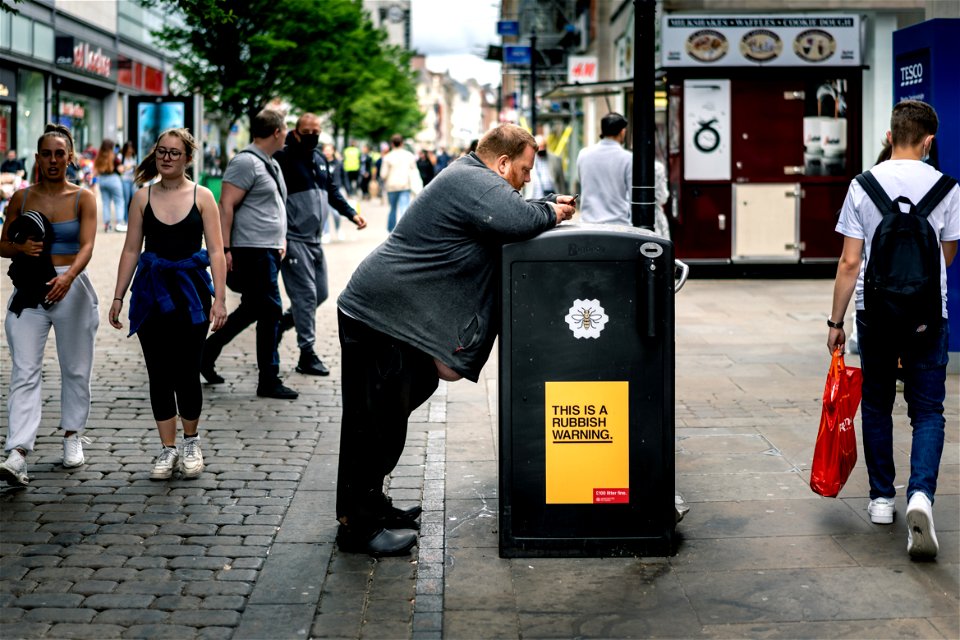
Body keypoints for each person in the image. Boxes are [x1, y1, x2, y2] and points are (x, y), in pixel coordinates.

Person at [334, 123, 576, 555]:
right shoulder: (472, 180)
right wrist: (551, 211)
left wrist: (544, 203)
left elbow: (510, 210)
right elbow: (518, 218)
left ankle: (371, 504)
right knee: (373, 424)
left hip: (392, 315)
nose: (526, 180)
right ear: (501, 162)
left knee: (392, 414)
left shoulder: (474, 180)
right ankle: (358, 527)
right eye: (523, 170)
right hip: (380, 316)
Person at [828, 100, 959, 560]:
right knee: (928, 411)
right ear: (929, 141)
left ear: (889, 136)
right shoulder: (947, 187)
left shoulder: (863, 184)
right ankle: (920, 495)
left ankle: (882, 499)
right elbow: (946, 255)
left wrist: (835, 321)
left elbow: (849, 262)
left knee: (878, 405)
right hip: (928, 315)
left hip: (874, 312)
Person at [108, 128, 227, 480]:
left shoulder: (203, 196)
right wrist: (118, 296)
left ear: (188, 158)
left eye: (175, 153)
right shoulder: (141, 197)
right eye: (162, 151)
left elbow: (217, 251)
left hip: (191, 293)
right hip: (151, 294)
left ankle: (191, 441)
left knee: (187, 370)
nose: (167, 158)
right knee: (158, 372)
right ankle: (167, 449)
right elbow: (131, 249)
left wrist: (220, 299)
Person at [0, 124, 99, 486]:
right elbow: (3, 243)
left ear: (70, 158)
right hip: (30, 288)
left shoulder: (83, 197)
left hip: (71, 285)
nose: (54, 160)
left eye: (60, 153)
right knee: (24, 370)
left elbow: (88, 245)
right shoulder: (21, 198)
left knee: (76, 367)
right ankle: (18, 452)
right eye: (47, 153)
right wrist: (20, 249)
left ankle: (72, 435)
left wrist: (69, 277)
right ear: (38, 157)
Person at [199, 109, 298, 400]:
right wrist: (226, 249)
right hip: (250, 250)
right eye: (286, 129)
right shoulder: (245, 162)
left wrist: (280, 239)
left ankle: (206, 353)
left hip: (267, 249)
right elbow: (225, 206)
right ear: (277, 132)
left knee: (255, 308)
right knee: (271, 312)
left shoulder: (270, 163)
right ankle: (269, 379)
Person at [274, 114, 366, 377]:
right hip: (293, 239)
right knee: (304, 296)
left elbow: (332, 191)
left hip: (315, 240)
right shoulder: (283, 158)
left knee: (321, 293)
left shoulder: (319, 159)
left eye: (317, 131)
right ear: (296, 131)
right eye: (307, 131)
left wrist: (351, 213)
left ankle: (281, 324)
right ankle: (307, 353)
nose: (313, 135)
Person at [577, 113, 632, 226]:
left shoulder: (583, 154)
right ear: (622, 132)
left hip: (588, 224)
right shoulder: (627, 158)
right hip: (619, 225)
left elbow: (582, 182)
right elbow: (632, 196)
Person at [381, 134, 419, 232]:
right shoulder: (409, 156)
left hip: (391, 186)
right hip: (405, 186)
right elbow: (414, 171)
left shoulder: (387, 157)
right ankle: (404, 230)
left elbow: (383, 174)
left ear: (392, 144)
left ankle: (391, 230)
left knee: (392, 209)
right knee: (404, 208)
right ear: (402, 143)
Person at [320, 142, 350, 242]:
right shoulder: (320, 163)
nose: (327, 152)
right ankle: (326, 233)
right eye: (325, 150)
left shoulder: (339, 163)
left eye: (329, 150)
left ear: (333, 151)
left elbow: (345, 177)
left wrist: (348, 190)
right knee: (325, 213)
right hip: (325, 191)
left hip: (337, 190)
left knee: (336, 214)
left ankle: (338, 229)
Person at [94, 139, 124, 233]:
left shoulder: (99, 157)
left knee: (106, 203)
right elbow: (120, 170)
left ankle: (107, 225)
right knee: (119, 201)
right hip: (113, 179)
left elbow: (96, 171)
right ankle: (119, 223)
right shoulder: (114, 158)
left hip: (102, 180)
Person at [527, 134, 567, 199]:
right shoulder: (528, 159)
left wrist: (562, 196)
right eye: (540, 147)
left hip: (552, 198)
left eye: (543, 146)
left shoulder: (556, 160)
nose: (542, 149)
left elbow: (561, 182)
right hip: (533, 198)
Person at [117, 140, 138, 230]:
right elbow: (120, 169)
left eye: (131, 148)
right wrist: (129, 167)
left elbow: (136, 169)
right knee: (125, 199)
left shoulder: (134, 157)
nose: (130, 150)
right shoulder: (120, 157)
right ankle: (125, 220)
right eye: (129, 148)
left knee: (134, 199)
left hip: (132, 180)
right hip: (124, 180)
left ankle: (133, 219)